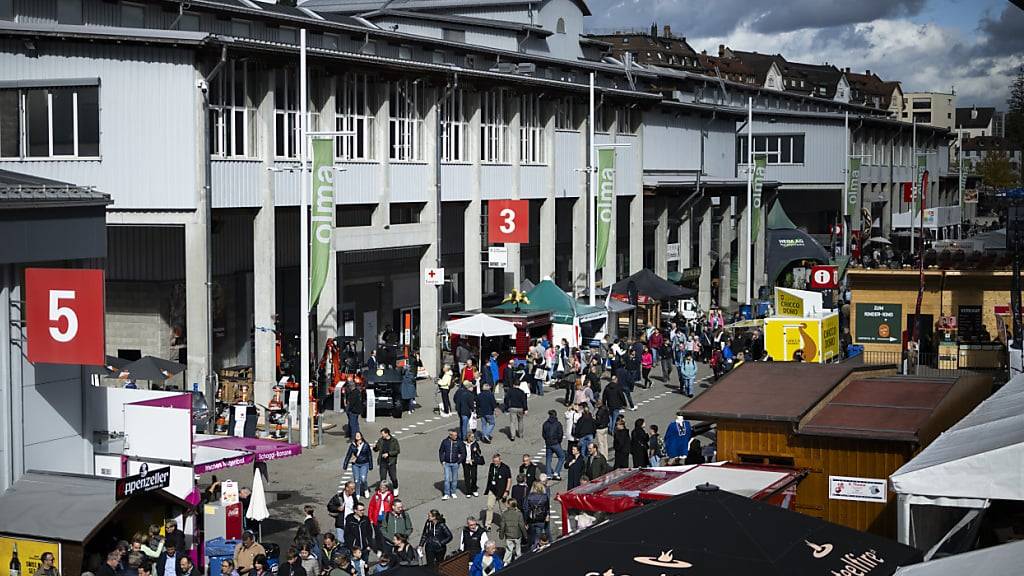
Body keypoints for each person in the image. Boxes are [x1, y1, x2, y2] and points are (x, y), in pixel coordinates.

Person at [484, 453, 512, 529]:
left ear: (500, 460)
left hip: (502, 491)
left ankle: (505, 525)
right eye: (494, 461)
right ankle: (488, 524)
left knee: (503, 509)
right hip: (492, 490)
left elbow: (509, 479)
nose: (495, 463)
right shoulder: (491, 466)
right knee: (489, 506)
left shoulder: (505, 468)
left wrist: (507, 491)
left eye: (497, 461)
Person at [343, 431, 373, 499]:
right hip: (355, 464)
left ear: (361, 436)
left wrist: (370, 465)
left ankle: (365, 489)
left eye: (359, 435)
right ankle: (357, 493)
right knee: (356, 480)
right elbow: (348, 455)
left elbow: (369, 455)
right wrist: (345, 464)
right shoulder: (352, 445)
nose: (357, 436)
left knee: (363, 479)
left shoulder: (365, 445)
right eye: (356, 435)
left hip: (364, 464)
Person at [438, 429, 466, 500]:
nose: (456, 436)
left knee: (454, 479)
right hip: (447, 463)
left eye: (456, 435)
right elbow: (441, 451)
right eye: (454, 435)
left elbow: (463, 453)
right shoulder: (445, 442)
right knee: (447, 479)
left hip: (455, 463)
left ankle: (453, 492)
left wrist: (458, 462)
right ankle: (446, 493)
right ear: (450, 436)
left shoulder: (459, 442)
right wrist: (442, 461)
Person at [498, 499, 527, 564]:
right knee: (518, 549)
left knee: (509, 549)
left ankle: (506, 562)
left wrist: (501, 535)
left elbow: (502, 526)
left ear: (509, 505)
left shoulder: (504, 514)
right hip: (517, 535)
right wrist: (525, 535)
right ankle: (518, 562)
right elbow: (522, 525)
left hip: (508, 535)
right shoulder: (519, 514)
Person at [372, 428, 400, 496]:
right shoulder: (381, 440)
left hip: (391, 462)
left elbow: (397, 451)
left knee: (393, 477)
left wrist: (388, 454)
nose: (382, 435)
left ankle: (395, 487)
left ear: (387, 433)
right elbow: (377, 449)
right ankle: (383, 490)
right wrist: (375, 447)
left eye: (383, 434)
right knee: (383, 478)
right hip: (382, 462)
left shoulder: (394, 441)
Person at [525, 481, 550, 548]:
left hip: (532, 518)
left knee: (531, 535)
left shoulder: (529, 496)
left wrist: (526, 521)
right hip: (541, 518)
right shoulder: (545, 496)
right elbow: (547, 508)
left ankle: (532, 547)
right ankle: (537, 547)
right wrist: (547, 515)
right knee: (538, 535)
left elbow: (526, 509)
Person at [541, 410, 565, 481]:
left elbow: (543, 434)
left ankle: (548, 474)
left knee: (548, 459)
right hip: (556, 443)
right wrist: (558, 441)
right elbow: (560, 434)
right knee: (562, 457)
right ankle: (556, 472)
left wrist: (547, 440)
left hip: (548, 443)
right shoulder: (558, 424)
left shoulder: (545, 424)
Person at [463, 431, 484, 497]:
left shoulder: (475, 443)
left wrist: (476, 450)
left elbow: (479, 452)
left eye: (473, 437)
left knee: (474, 476)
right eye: (472, 437)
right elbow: (460, 451)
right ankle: (468, 492)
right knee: (467, 477)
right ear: (468, 437)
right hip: (466, 462)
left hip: (473, 462)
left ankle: (474, 489)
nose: (473, 438)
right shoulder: (463, 444)